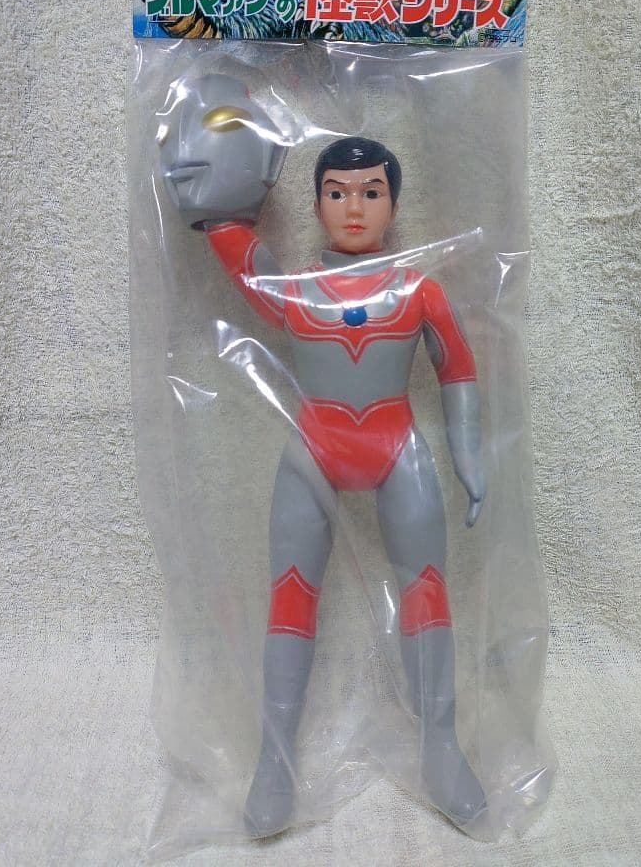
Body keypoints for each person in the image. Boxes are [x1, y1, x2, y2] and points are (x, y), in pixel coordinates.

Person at [163, 78, 487, 836]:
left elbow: (459, 370)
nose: (353, 207)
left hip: (396, 448)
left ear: (394, 204)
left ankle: (441, 747)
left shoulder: (418, 290)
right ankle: (274, 759)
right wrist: (217, 167)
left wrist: (469, 455)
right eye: (337, 193)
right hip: (312, 447)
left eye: (370, 193)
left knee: (426, 588)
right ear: (314, 205)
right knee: (290, 593)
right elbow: (238, 255)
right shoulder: (298, 290)